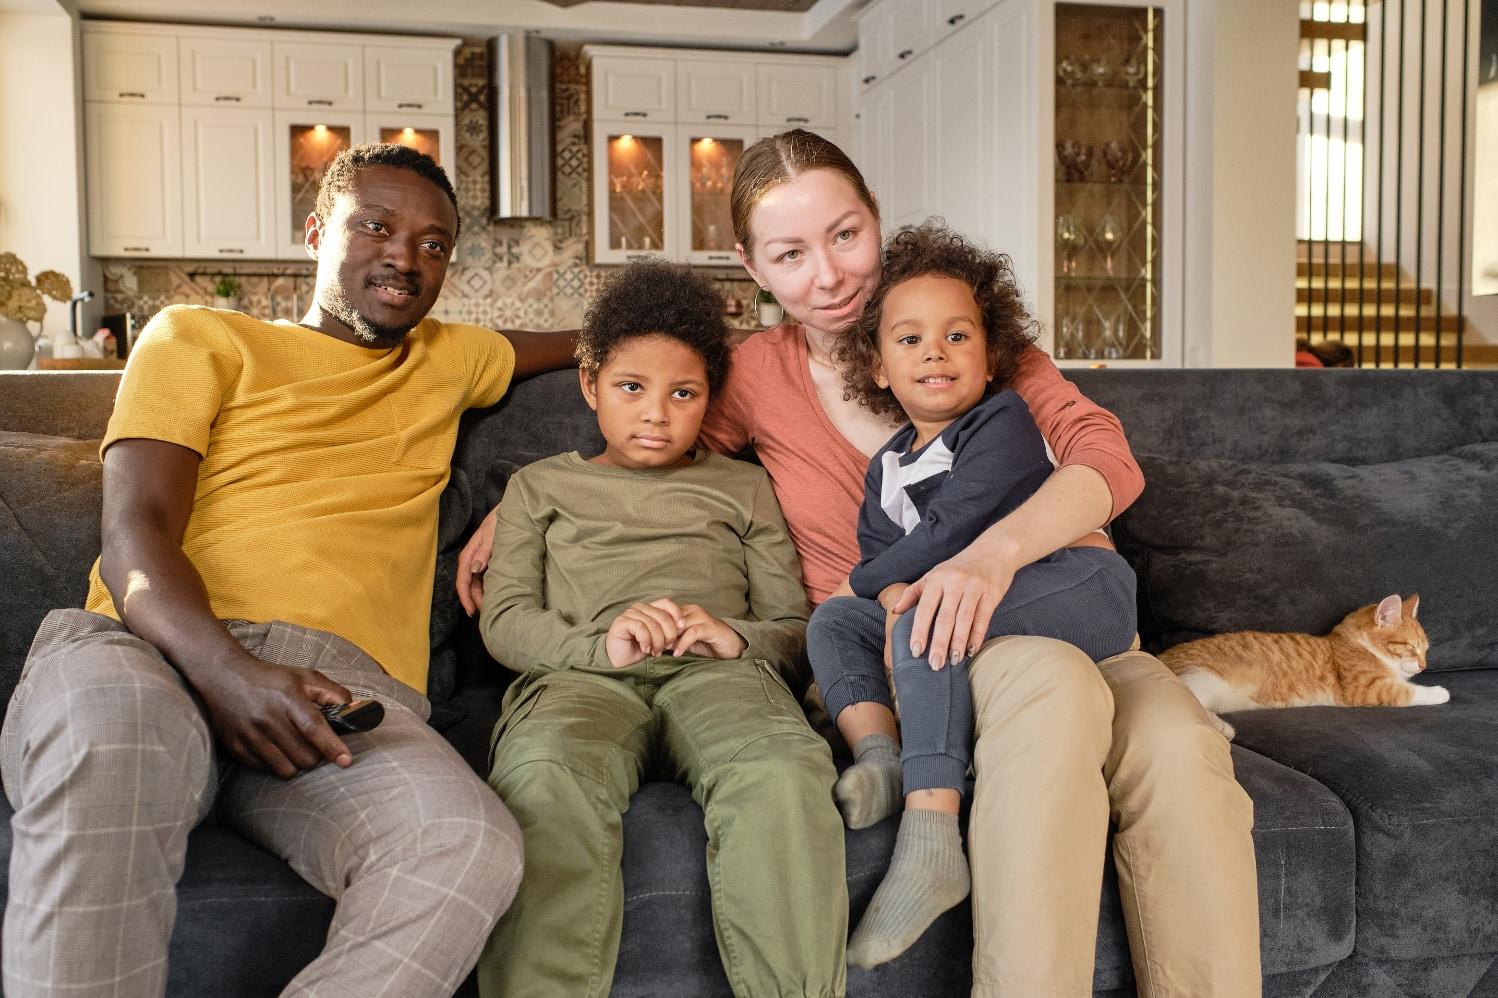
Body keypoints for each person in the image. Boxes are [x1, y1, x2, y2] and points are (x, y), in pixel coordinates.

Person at [460, 130, 1260, 996]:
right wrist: (521, 505)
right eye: (791, 254)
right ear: (752, 268)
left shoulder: (967, 335)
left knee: (1181, 749)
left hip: (1061, 598)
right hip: (920, 646)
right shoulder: (754, 377)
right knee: (1050, 696)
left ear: (876, 221)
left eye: (845, 236)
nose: (830, 275)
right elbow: (655, 450)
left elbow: (1105, 457)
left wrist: (992, 557)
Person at [1, 143, 578, 997]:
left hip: (339, 694)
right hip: (150, 649)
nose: (406, 256)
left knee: (466, 845)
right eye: (376, 226)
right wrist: (230, 672)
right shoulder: (200, 336)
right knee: (105, 740)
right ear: (316, 233)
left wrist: (545, 489)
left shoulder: (453, 359)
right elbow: (136, 535)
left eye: (433, 243)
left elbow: (619, 343)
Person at [475, 260, 845, 998]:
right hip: (581, 680)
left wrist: (734, 637)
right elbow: (506, 620)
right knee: (545, 777)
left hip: (719, 678)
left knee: (780, 770)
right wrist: (598, 644)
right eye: (631, 388)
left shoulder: (743, 486)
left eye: (684, 394)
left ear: (709, 399)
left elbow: (792, 626)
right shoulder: (540, 488)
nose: (656, 413)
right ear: (590, 386)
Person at [807, 222, 1139, 968]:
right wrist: (867, 591)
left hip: (1079, 589)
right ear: (879, 366)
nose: (935, 351)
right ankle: (884, 755)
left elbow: (946, 534)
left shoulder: (1003, 423)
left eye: (958, 336)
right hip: (974, 599)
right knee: (834, 622)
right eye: (911, 339)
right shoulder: (888, 464)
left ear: (991, 358)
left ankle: (931, 839)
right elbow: (877, 558)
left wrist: (882, 585)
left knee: (922, 611)